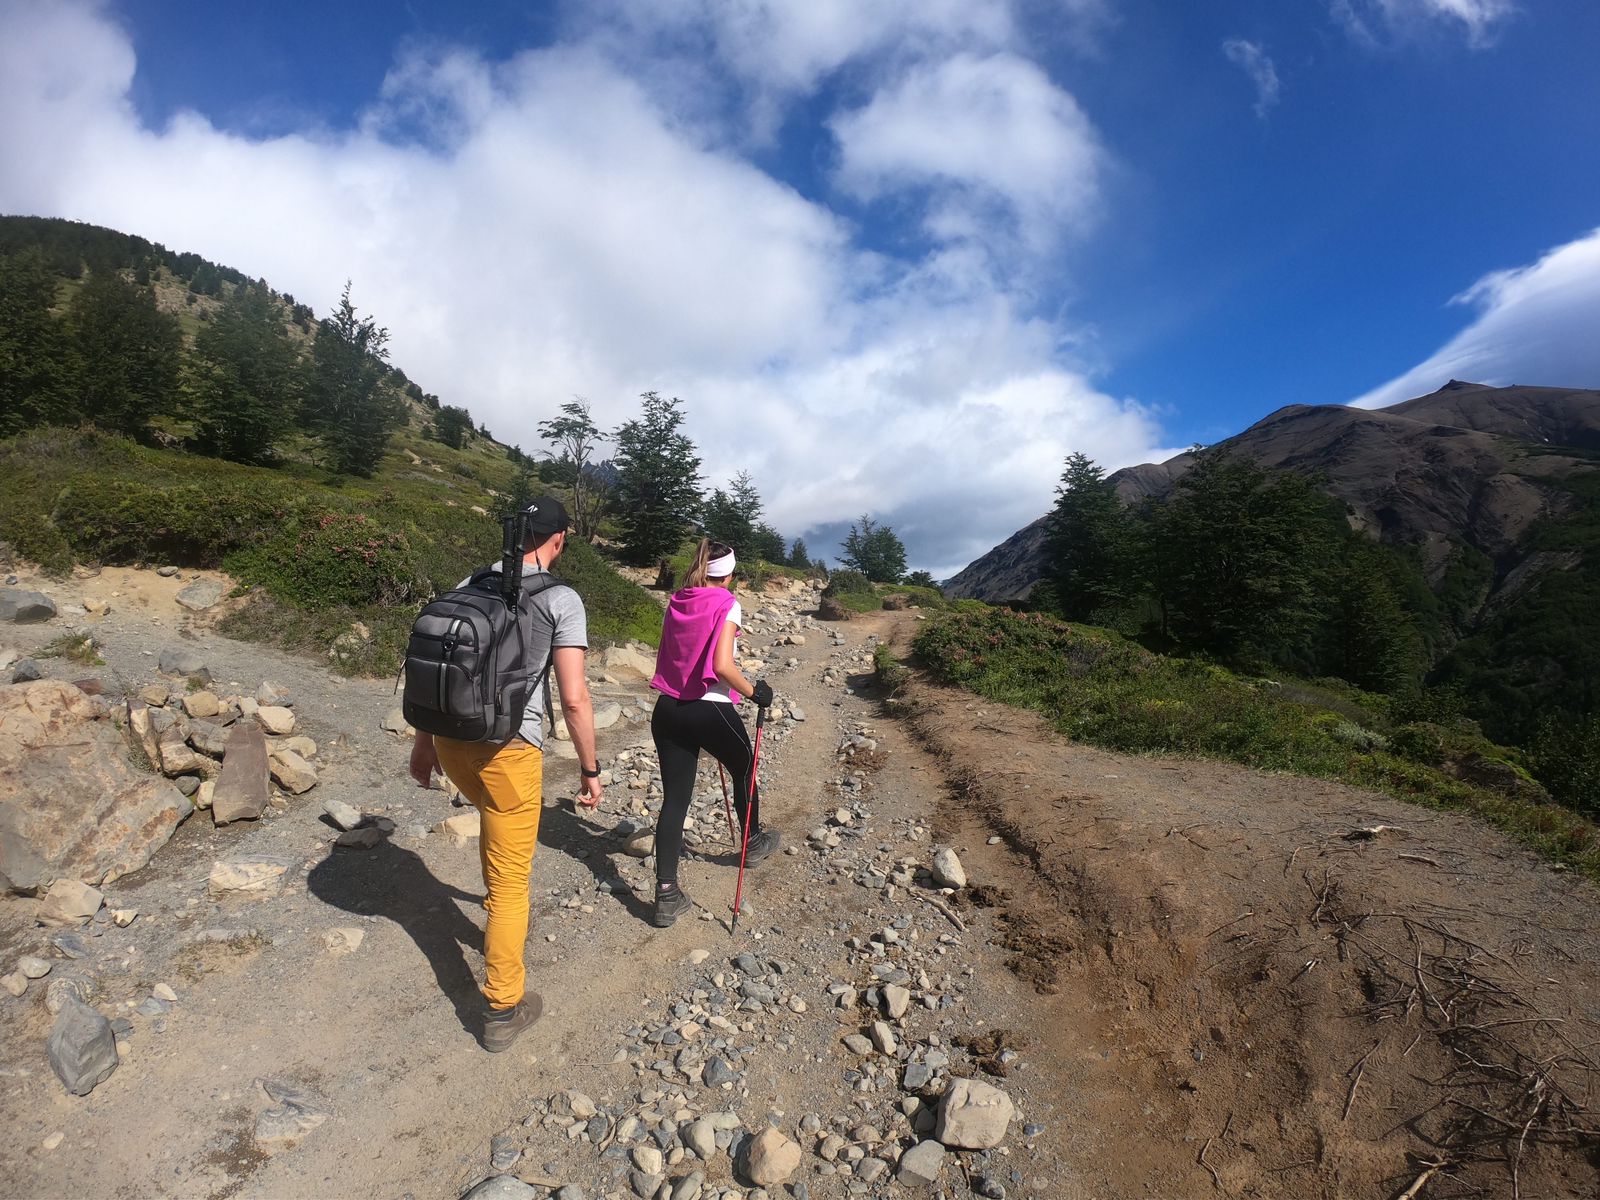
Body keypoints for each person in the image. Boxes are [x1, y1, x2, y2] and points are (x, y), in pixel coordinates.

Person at [407, 496, 603, 1052]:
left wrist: (424, 747)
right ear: (558, 539)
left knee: (496, 842)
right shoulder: (562, 598)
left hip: (452, 740)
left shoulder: (471, 582)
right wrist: (590, 768)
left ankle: (498, 956)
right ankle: (502, 1007)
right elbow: (574, 698)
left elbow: (445, 669)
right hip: (509, 752)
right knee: (510, 884)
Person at [647, 538, 777, 927]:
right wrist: (756, 693)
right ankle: (752, 842)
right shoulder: (728, 603)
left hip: (667, 709)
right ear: (730, 575)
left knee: (675, 801)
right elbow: (722, 665)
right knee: (744, 769)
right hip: (710, 708)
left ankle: (666, 894)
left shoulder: (678, 600)